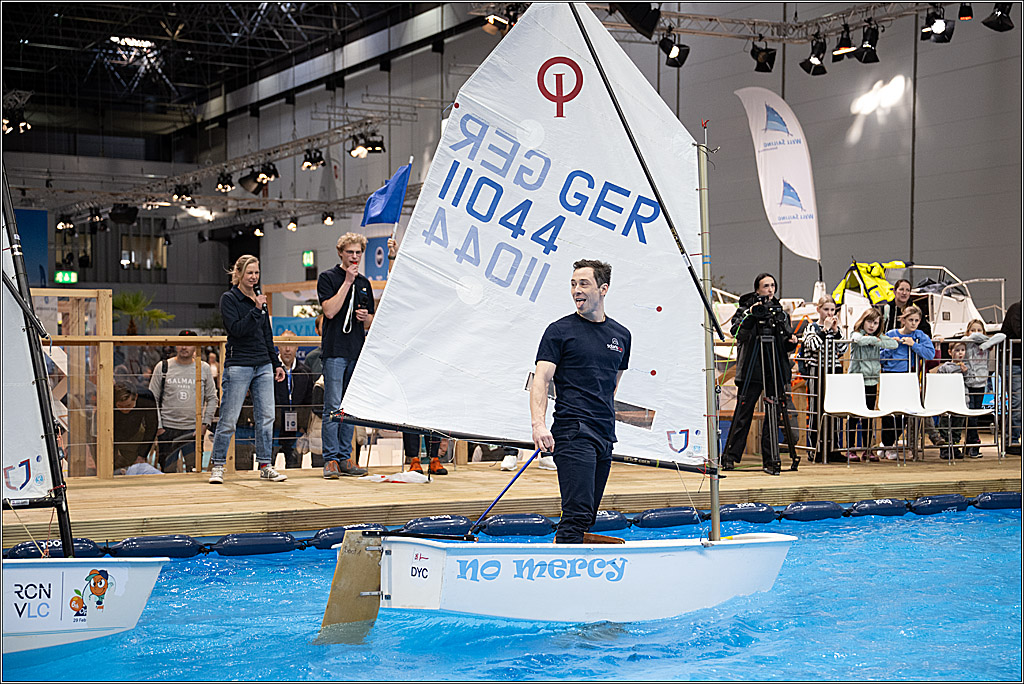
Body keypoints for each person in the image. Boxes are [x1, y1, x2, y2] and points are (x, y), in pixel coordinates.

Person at [531, 259, 630, 544]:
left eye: (584, 283)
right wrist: (539, 425)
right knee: (576, 515)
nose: (576, 290)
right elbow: (541, 379)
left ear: (603, 288)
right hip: (573, 432)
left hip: (604, 435)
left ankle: (579, 573)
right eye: (573, 284)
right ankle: (560, 579)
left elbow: (611, 386)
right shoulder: (559, 331)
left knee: (588, 517)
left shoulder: (621, 336)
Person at [208, 255, 287, 484]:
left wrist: (276, 363)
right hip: (239, 364)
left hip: (262, 364)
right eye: (250, 273)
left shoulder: (259, 300)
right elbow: (236, 330)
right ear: (239, 274)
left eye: (257, 273)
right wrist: (256, 308)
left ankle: (265, 465)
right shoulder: (230, 299)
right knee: (229, 417)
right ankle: (218, 465)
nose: (254, 277)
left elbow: (267, 335)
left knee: (266, 417)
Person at [721, 273, 799, 475]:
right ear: (757, 289)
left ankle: (771, 458)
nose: (770, 289)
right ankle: (730, 456)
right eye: (766, 286)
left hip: (774, 368)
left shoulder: (779, 311)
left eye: (773, 285)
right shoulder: (747, 309)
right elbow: (738, 333)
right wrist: (751, 315)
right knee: (743, 414)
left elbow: (783, 341)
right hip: (751, 369)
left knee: (773, 415)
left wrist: (790, 342)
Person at [318, 233, 373, 478]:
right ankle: (330, 459)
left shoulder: (365, 282)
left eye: (358, 253)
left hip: (355, 350)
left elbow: (372, 319)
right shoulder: (328, 278)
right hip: (335, 351)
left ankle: (344, 457)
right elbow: (329, 311)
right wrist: (347, 283)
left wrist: (366, 319)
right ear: (341, 253)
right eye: (350, 252)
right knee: (332, 406)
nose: (354, 257)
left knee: (348, 408)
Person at [149, 330, 219, 473]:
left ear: (196, 346)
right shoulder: (163, 367)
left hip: (193, 430)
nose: (184, 347)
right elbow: (152, 398)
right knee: (168, 472)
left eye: (189, 344)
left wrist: (204, 424)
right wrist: (159, 426)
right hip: (167, 429)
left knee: (195, 472)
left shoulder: (203, 368)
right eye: (181, 343)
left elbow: (212, 398)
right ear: (175, 345)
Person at [878, 305, 935, 459]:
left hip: (908, 378)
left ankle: (890, 443)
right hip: (889, 376)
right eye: (911, 320)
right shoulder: (891, 334)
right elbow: (880, 357)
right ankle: (886, 444)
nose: (914, 323)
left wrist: (914, 345)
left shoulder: (920, 335)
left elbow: (930, 353)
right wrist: (892, 347)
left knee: (904, 412)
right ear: (903, 319)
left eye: (917, 320)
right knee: (889, 413)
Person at [847, 308, 899, 461]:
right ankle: (851, 449)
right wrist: (875, 340)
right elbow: (859, 340)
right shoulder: (856, 334)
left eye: (875, 323)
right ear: (863, 321)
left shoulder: (878, 337)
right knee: (854, 417)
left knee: (868, 416)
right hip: (857, 380)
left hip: (872, 380)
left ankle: (867, 449)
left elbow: (893, 344)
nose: (872, 326)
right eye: (869, 322)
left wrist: (878, 339)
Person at [801, 295, 847, 463]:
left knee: (834, 410)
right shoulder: (811, 327)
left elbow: (842, 348)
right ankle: (815, 449)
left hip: (833, 369)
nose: (829, 313)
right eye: (826, 309)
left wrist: (835, 332)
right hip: (816, 370)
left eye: (832, 310)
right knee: (816, 409)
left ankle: (834, 448)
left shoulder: (837, 328)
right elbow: (812, 345)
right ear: (818, 310)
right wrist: (824, 330)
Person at [957, 319, 1006, 457]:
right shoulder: (966, 342)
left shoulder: (986, 344)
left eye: (979, 330)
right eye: (973, 330)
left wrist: (986, 344)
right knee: (970, 415)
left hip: (981, 384)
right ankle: (975, 442)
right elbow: (968, 338)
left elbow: (1002, 336)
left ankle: (971, 445)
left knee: (975, 416)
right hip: (967, 383)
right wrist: (974, 337)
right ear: (968, 331)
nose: (976, 333)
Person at [274, 330, 315, 469]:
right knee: (268, 466)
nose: (287, 349)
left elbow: (309, 400)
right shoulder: (269, 370)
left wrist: (304, 425)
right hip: (274, 427)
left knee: (295, 468)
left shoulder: (305, 371)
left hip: (296, 428)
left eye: (291, 345)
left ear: (297, 346)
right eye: (284, 345)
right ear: (278, 346)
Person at [929, 342, 971, 460]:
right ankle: (945, 449)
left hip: (961, 401)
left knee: (957, 427)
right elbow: (940, 383)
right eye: (957, 350)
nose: (960, 353)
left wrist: (966, 372)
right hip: (947, 402)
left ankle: (955, 447)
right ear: (950, 352)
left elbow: (970, 382)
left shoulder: (967, 367)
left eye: (962, 350)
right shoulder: (945, 367)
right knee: (945, 426)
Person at [112, 383, 160, 475]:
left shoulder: (146, 397)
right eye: (120, 406)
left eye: (128, 405)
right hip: (112, 432)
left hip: (134, 432)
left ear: (136, 397)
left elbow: (151, 427)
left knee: (133, 467)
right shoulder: (109, 398)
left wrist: (142, 455)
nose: (124, 409)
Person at [1000, 300, 1021, 455]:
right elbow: (1019, 331)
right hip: (1012, 363)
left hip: (1016, 362)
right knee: (1016, 402)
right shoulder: (1017, 309)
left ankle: (1013, 439)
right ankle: (1011, 441)